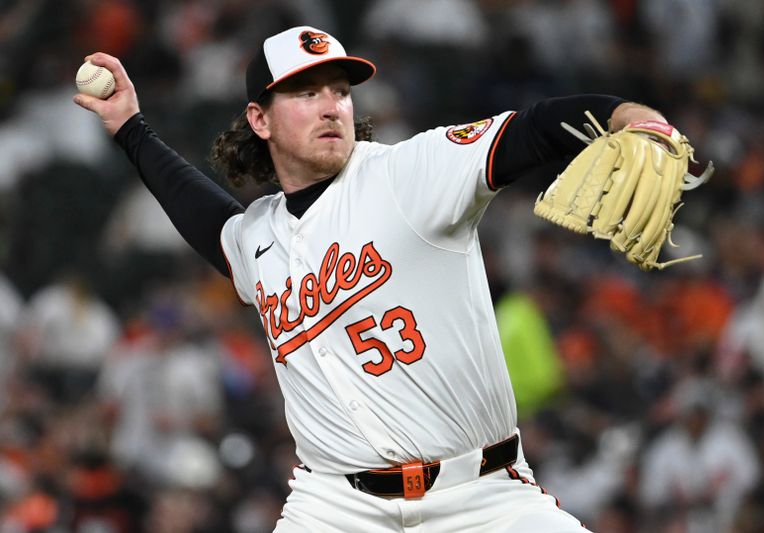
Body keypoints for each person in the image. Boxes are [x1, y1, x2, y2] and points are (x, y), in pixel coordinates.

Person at [74, 25, 670, 533]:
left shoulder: (409, 174)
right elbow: (209, 222)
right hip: (335, 505)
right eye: (305, 92)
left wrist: (629, 115)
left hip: (481, 496)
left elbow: (530, 128)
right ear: (259, 119)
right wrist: (132, 128)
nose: (331, 104)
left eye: (340, 90)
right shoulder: (258, 238)